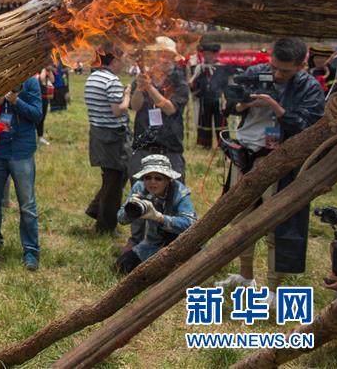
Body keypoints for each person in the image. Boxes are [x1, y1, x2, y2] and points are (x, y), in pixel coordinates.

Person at [215, 37, 325, 307]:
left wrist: (275, 106)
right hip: (245, 154)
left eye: (285, 71)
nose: (277, 74)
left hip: (280, 162)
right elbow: (230, 102)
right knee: (240, 219)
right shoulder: (255, 73)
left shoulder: (309, 87)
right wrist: (243, 105)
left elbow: (307, 126)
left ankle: (274, 290)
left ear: (302, 64)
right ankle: (245, 276)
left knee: (277, 225)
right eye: (274, 67)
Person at [0, 76, 43, 271]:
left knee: (27, 205)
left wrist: (17, 101)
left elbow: (37, 114)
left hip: (21, 150)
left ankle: (31, 250)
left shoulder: (31, 82)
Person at [115, 154, 197, 274]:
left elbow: (191, 224)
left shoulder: (180, 192)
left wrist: (160, 218)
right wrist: (130, 209)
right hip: (151, 244)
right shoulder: (139, 188)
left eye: (158, 178)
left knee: (174, 273)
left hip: (178, 242)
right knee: (122, 266)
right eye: (148, 177)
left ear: (168, 180)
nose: (152, 182)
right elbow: (121, 219)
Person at [84, 50, 132, 235]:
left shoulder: (92, 78)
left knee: (112, 176)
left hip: (98, 132)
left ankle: (96, 209)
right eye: (120, 60)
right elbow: (118, 110)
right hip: (113, 136)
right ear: (113, 61)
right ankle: (105, 226)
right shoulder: (112, 81)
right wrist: (126, 94)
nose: (122, 64)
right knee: (114, 180)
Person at [129, 36, 190, 180]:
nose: (167, 60)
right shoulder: (143, 78)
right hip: (143, 148)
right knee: (140, 195)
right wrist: (139, 88)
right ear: (155, 57)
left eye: (170, 56)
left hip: (169, 149)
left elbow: (170, 109)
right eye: (163, 55)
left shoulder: (179, 82)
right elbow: (135, 106)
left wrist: (149, 87)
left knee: (172, 195)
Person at [190, 42, 228, 149]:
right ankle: (205, 144)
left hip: (218, 100)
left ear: (215, 55)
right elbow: (195, 83)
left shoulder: (221, 68)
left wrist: (224, 97)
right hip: (204, 99)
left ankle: (223, 144)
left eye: (209, 54)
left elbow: (225, 84)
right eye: (205, 54)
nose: (207, 56)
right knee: (204, 121)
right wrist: (195, 87)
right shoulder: (199, 68)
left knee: (220, 121)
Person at [36, 66, 53, 145]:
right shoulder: (37, 72)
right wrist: (43, 69)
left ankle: (40, 136)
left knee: (42, 117)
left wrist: (49, 71)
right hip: (37, 98)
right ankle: (35, 135)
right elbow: (42, 79)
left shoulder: (47, 71)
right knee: (37, 117)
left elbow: (52, 80)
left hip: (45, 97)